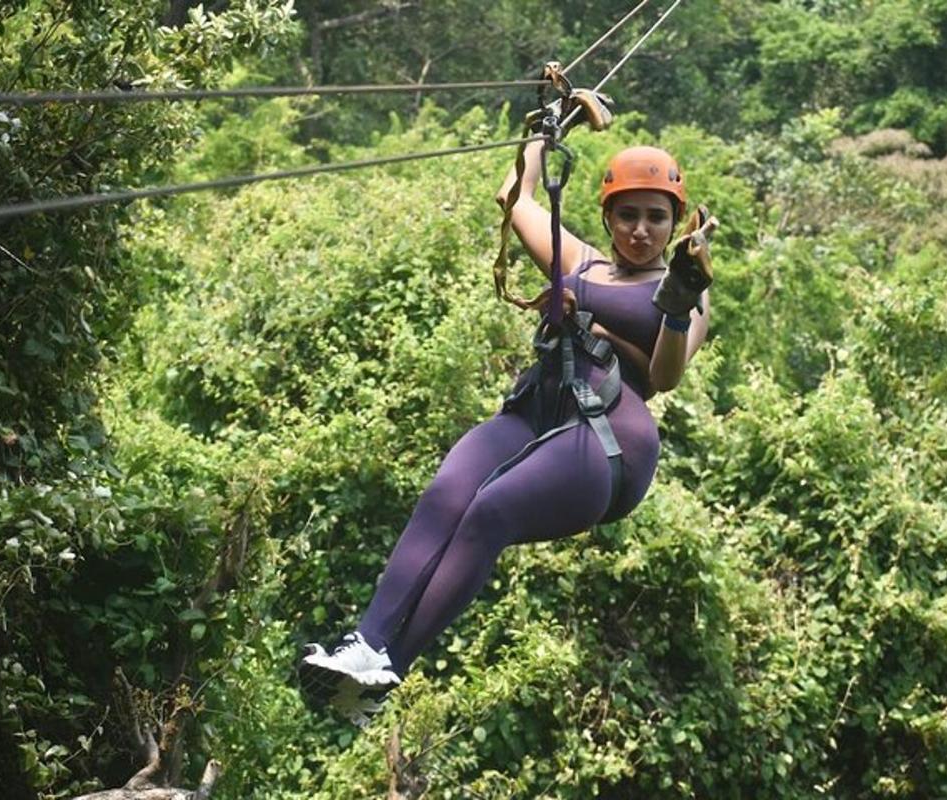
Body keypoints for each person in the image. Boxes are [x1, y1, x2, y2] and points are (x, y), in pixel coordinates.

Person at [298, 139, 713, 726]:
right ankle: (366, 650)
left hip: (607, 439)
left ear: (674, 223)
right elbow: (512, 195)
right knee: (448, 491)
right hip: (536, 410)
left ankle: (387, 671)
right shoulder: (583, 260)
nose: (641, 229)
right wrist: (549, 126)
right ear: (607, 216)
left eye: (656, 217)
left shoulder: (688, 283)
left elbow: (666, 376)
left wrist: (676, 302)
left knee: (490, 510)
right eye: (628, 214)